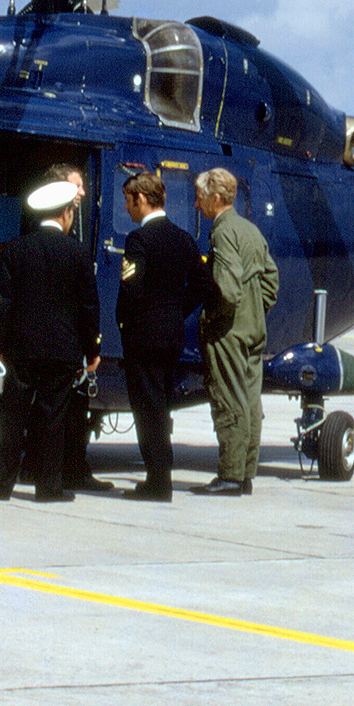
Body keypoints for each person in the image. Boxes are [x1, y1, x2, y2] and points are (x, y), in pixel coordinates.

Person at [0, 179, 102, 502]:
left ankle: (1, 484)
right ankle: (48, 487)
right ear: (65, 213)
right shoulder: (78, 253)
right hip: (63, 350)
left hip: (21, 348)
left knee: (11, 417)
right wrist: (92, 349)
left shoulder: (16, 249)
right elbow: (89, 306)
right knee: (53, 418)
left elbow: (5, 303)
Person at [116, 171, 212, 501]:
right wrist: (174, 310)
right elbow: (203, 283)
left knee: (147, 409)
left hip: (144, 336)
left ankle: (157, 480)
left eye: (129, 202)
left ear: (142, 200)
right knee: (161, 407)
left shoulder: (139, 240)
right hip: (171, 335)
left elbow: (131, 288)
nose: (127, 208)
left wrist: (130, 322)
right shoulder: (184, 239)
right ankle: (161, 475)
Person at [193, 167, 278, 496]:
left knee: (229, 399)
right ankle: (244, 474)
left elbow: (227, 289)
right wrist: (254, 312)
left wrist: (218, 319)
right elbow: (271, 281)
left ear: (216, 199)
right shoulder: (250, 230)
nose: (197, 205)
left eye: (200, 198)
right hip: (254, 329)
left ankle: (229, 475)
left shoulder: (223, 232)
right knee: (250, 401)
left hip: (229, 331)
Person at [44, 162, 111, 492]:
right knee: (68, 410)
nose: (84, 192)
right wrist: (92, 347)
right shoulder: (71, 246)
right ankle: (68, 471)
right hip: (63, 343)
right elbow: (86, 302)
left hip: (45, 341)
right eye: (78, 186)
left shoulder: (69, 232)